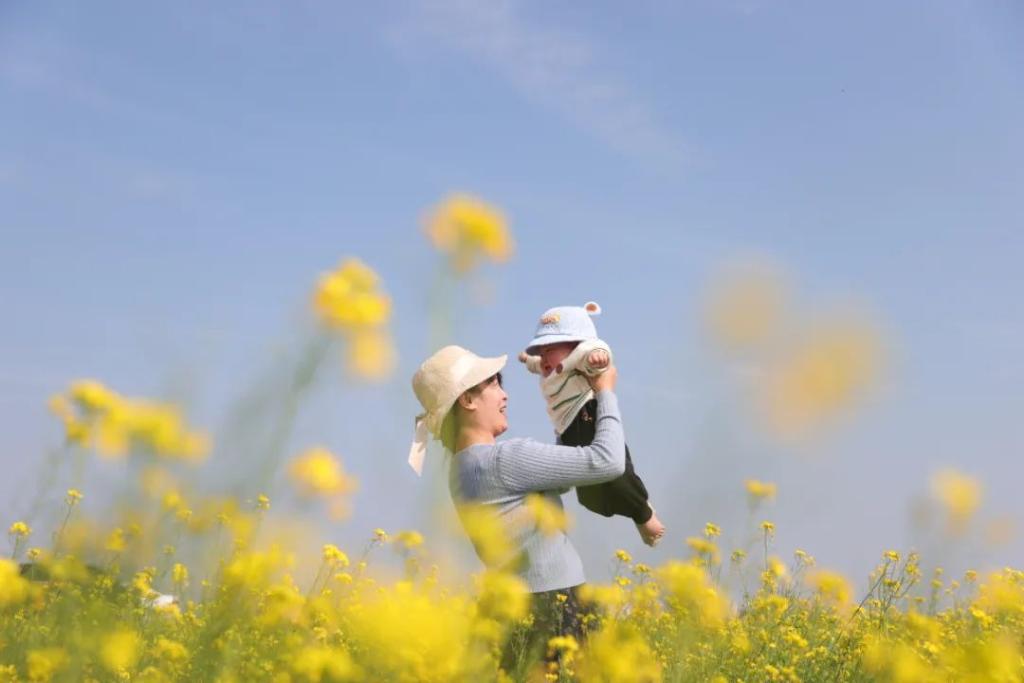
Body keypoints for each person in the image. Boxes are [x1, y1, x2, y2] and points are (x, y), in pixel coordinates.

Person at [408, 344, 627, 668]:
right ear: (467, 400)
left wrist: (565, 399)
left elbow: (561, 478)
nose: (504, 395)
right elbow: (607, 462)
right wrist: (605, 391)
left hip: (514, 614)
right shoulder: (503, 460)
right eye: (494, 383)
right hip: (558, 609)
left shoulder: (461, 470)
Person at [519, 302, 666, 546]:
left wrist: (598, 358)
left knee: (614, 472)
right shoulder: (550, 368)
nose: (544, 357)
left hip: (587, 416)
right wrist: (527, 359)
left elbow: (597, 351)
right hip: (566, 431)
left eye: (551, 349)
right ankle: (635, 506)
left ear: (575, 345)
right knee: (589, 498)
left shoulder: (581, 361)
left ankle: (643, 514)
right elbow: (535, 363)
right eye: (541, 351)